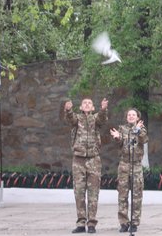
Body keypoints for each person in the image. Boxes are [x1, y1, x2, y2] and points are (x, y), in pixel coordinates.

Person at [63, 96, 109, 234]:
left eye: (90, 103)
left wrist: (103, 109)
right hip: (78, 160)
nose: (87, 104)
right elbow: (70, 119)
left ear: (93, 107)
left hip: (94, 159)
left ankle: (92, 223)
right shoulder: (77, 118)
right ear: (81, 107)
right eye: (84, 103)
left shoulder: (96, 119)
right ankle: (81, 223)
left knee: (93, 193)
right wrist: (68, 110)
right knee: (79, 192)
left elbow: (102, 119)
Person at [110, 108, 148, 233]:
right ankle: (123, 222)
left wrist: (137, 130)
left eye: (133, 115)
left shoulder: (141, 128)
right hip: (124, 165)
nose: (131, 116)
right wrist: (117, 137)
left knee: (136, 195)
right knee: (122, 195)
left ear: (137, 117)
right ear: (126, 117)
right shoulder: (122, 129)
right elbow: (120, 142)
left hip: (136, 165)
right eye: (129, 115)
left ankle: (134, 222)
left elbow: (143, 139)